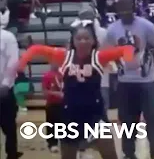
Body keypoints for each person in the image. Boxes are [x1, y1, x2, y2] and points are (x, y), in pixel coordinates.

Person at [17, 22, 135, 159]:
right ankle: (85, 143)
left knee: (110, 154)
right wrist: (21, 65)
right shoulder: (64, 56)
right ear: (73, 41)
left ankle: (91, 141)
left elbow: (127, 50)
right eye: (79, 38)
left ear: (93, 41)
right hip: (70, 115)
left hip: (95, 115)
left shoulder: (99, 57)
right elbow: (36, 49)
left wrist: (129, 56)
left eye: (87, 38)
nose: (83, 41)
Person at [104, 0, 154, 159]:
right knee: (127, 120)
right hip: (124, 82)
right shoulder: (112, 29)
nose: (126, 12)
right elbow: (106, 52)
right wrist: (116, 66)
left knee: (151, 117)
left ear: (134, 7)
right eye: (122, 9)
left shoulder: (146, 26)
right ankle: (128, 153)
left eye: (129, 8)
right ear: (117, 10)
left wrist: (149, 61)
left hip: (146, 81)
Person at [0, 28, 23, 159]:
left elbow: (13, 61)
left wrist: (6, 83)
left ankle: (12, 153)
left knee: (8, 126)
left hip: (3, 90)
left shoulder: (7, 37)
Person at [42, 64, 63, 153]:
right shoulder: (47, 76)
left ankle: (65, 142)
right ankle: (52, 143)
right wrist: (55, 93)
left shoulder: (63, 75)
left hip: (63, 104)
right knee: (51, 125)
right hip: (51, 104)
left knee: (64, 124)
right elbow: (45, 92)